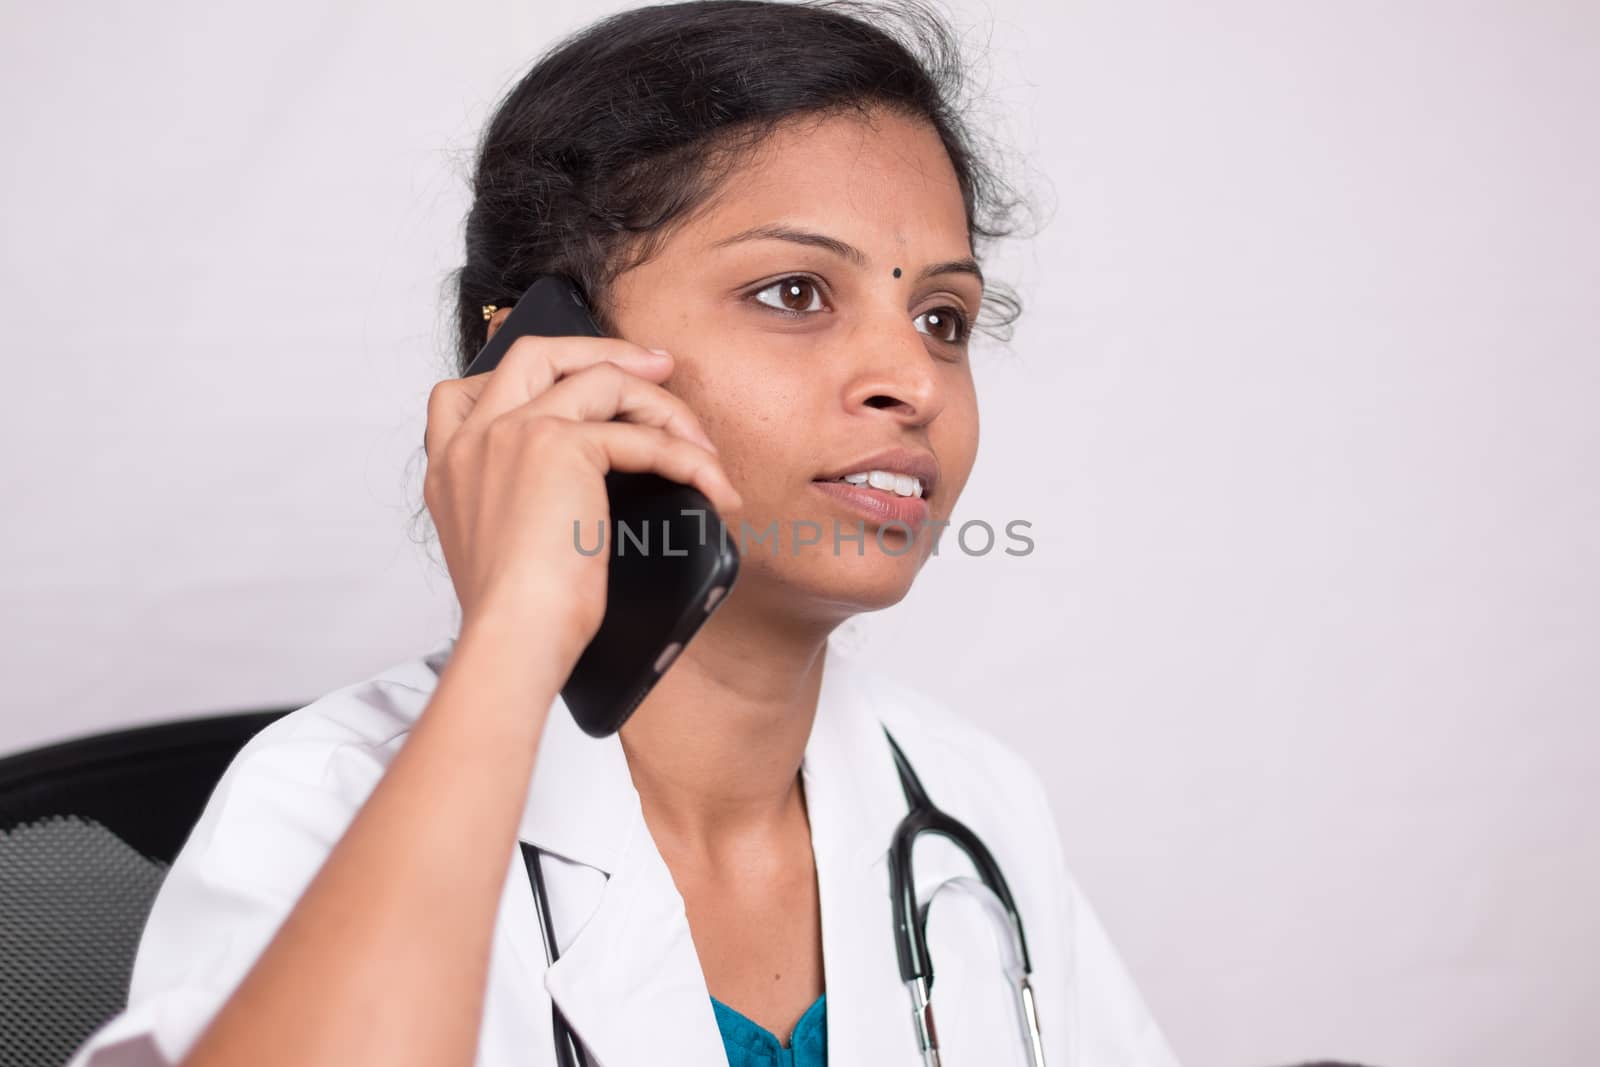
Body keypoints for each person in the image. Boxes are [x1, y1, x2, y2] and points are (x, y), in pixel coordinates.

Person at [68, 2, 1182, 1065]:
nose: (911, 380)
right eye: (794, 292)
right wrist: (519, 624)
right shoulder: (318, 796)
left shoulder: (972, 801)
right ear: (545, 356)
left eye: (941, 318)